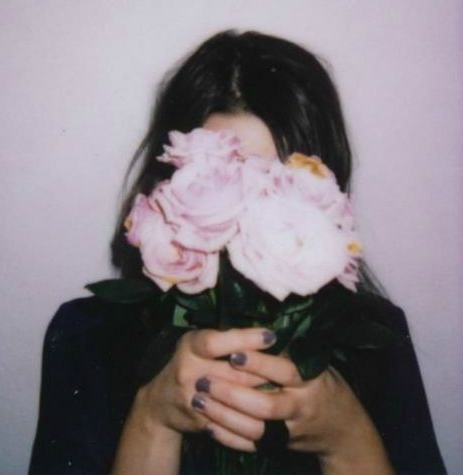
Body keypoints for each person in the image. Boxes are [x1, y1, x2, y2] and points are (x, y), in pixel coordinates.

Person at [29, 30, 446, 475]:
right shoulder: (86, 338)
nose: (250, 223)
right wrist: (153, 420)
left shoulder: (378, 339)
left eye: (278, 188)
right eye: (224, 183)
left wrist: (346, 439)